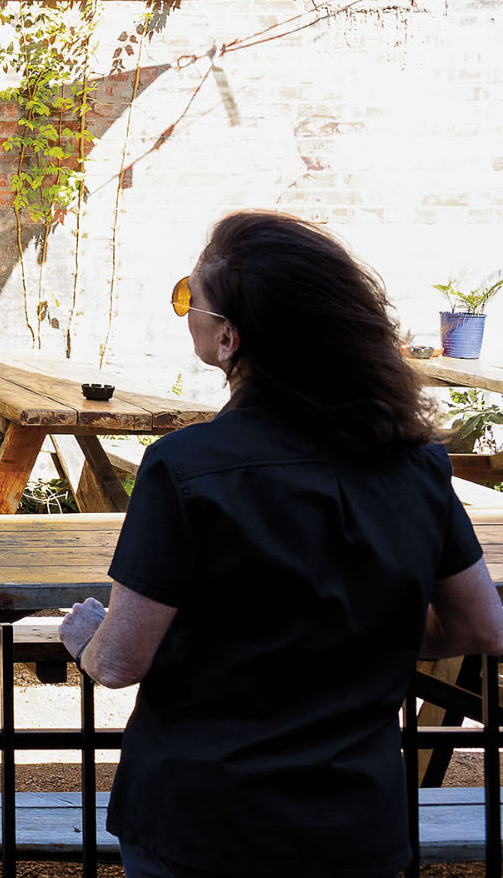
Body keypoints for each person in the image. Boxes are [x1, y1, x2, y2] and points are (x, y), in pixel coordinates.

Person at [58, 210, 503, 878]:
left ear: (229, 337)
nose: (186, 310)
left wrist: (85, 636)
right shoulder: (416, 465)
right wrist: (352, 628)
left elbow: (120, 660)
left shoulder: (183, 469)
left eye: (189, 296)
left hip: (203, 825)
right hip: (355, 826)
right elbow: (480, 623)